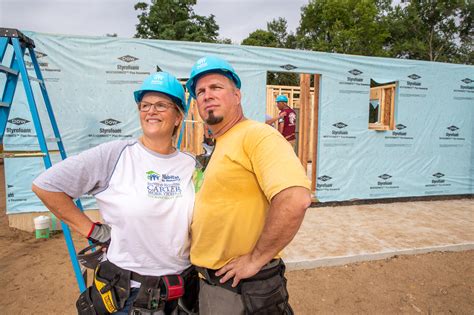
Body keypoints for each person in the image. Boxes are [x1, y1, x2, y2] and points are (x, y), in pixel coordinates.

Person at [32, 72, 198, 315]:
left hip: (182, 291)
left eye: (161, 105)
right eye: (145, 105)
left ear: (178, 116)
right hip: (129, 294)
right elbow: (46, 185)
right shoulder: (116, 155)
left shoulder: (191, 165)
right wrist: (92, 231)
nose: (151, 111)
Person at [186, 55, 312, 314]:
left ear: (237, 95)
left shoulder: (257, 135)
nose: (207, 95)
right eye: (200, 91)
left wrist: (256, 258)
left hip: (241, 288)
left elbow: (295, 199)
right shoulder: (221, 143)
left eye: (216, 87)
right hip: (213, 284)